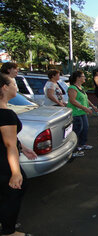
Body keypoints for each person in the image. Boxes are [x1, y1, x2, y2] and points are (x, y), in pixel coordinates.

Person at [0, 73, 37, 236]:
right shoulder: (6, 114)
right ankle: (9, 231)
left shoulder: (5, 111)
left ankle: (5, 221)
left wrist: (24, 147)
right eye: (14, 84)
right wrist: (15, 173)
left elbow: (10, 139)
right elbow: (9, 144)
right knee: (15, 191)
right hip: (4, 163)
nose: (16, 88)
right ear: (4, 87)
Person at [67, 71, 98, 157]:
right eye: (83, 76)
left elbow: (86, 98)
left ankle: (82, 144)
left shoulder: (81, 87)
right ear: (78, 78)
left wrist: (92, 106)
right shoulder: (72, 88)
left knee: (85, 128)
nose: (85, 78)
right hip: (76, 113)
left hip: (82, 112)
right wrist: (85, 108)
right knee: (77, 130)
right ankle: (73, 149)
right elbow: (72, 101)